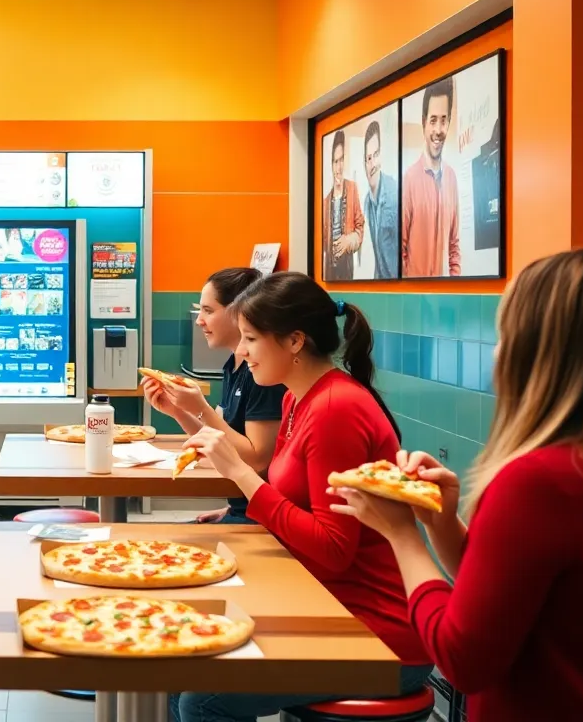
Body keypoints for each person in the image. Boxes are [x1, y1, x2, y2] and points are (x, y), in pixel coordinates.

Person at [330, 249, 583, 721]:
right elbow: (511, 597)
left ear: (536, 353)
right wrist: (443, 525)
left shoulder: (540, 482)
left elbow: (461, 658)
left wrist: (403, 534)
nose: (496, 350)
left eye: (505, 335)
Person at [170, 272, 431, 722]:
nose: (242, 351)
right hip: (323, 601)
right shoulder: (297, 398)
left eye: (251, 338)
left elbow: (334, 550)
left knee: (202, 698)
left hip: (378, 632)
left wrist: (243, 479)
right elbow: (299, 503)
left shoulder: (335, 410)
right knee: (180, 658)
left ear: (294, 341)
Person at [141, 267, 284, 524]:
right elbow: (217, 440)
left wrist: (201, 408)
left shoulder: (264, 374)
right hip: (242, 508)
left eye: (208, 310)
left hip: (262, 517)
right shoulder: (233, 364)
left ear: (239, 312)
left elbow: (257, 461)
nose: (199, 320)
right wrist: (177, 410)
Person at [402, 77, 460, 277]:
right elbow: (400, 251)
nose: (438, 130)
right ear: (424, 123)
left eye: (444, 120)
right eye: (433, 120)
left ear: (449, 122)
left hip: (446, 302)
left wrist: (456, 289)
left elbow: (454, 246)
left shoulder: (452, 178)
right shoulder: (409, 179)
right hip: (414, 300)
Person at [323, 130, 364, 281]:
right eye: (335, 161)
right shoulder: (326, 202)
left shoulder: (352, 189)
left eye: (341, 160)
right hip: (329, 271)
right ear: (331, 164)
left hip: (347, 267)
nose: (339, 167)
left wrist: (350, 240)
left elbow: (360, 227)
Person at [362, 119, 399, 279]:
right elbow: (379, 259)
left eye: (375, 155)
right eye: (368, 158)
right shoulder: (367, 203)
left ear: (381, 156)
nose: (372, 164)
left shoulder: (394, 192)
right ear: (364, 163)